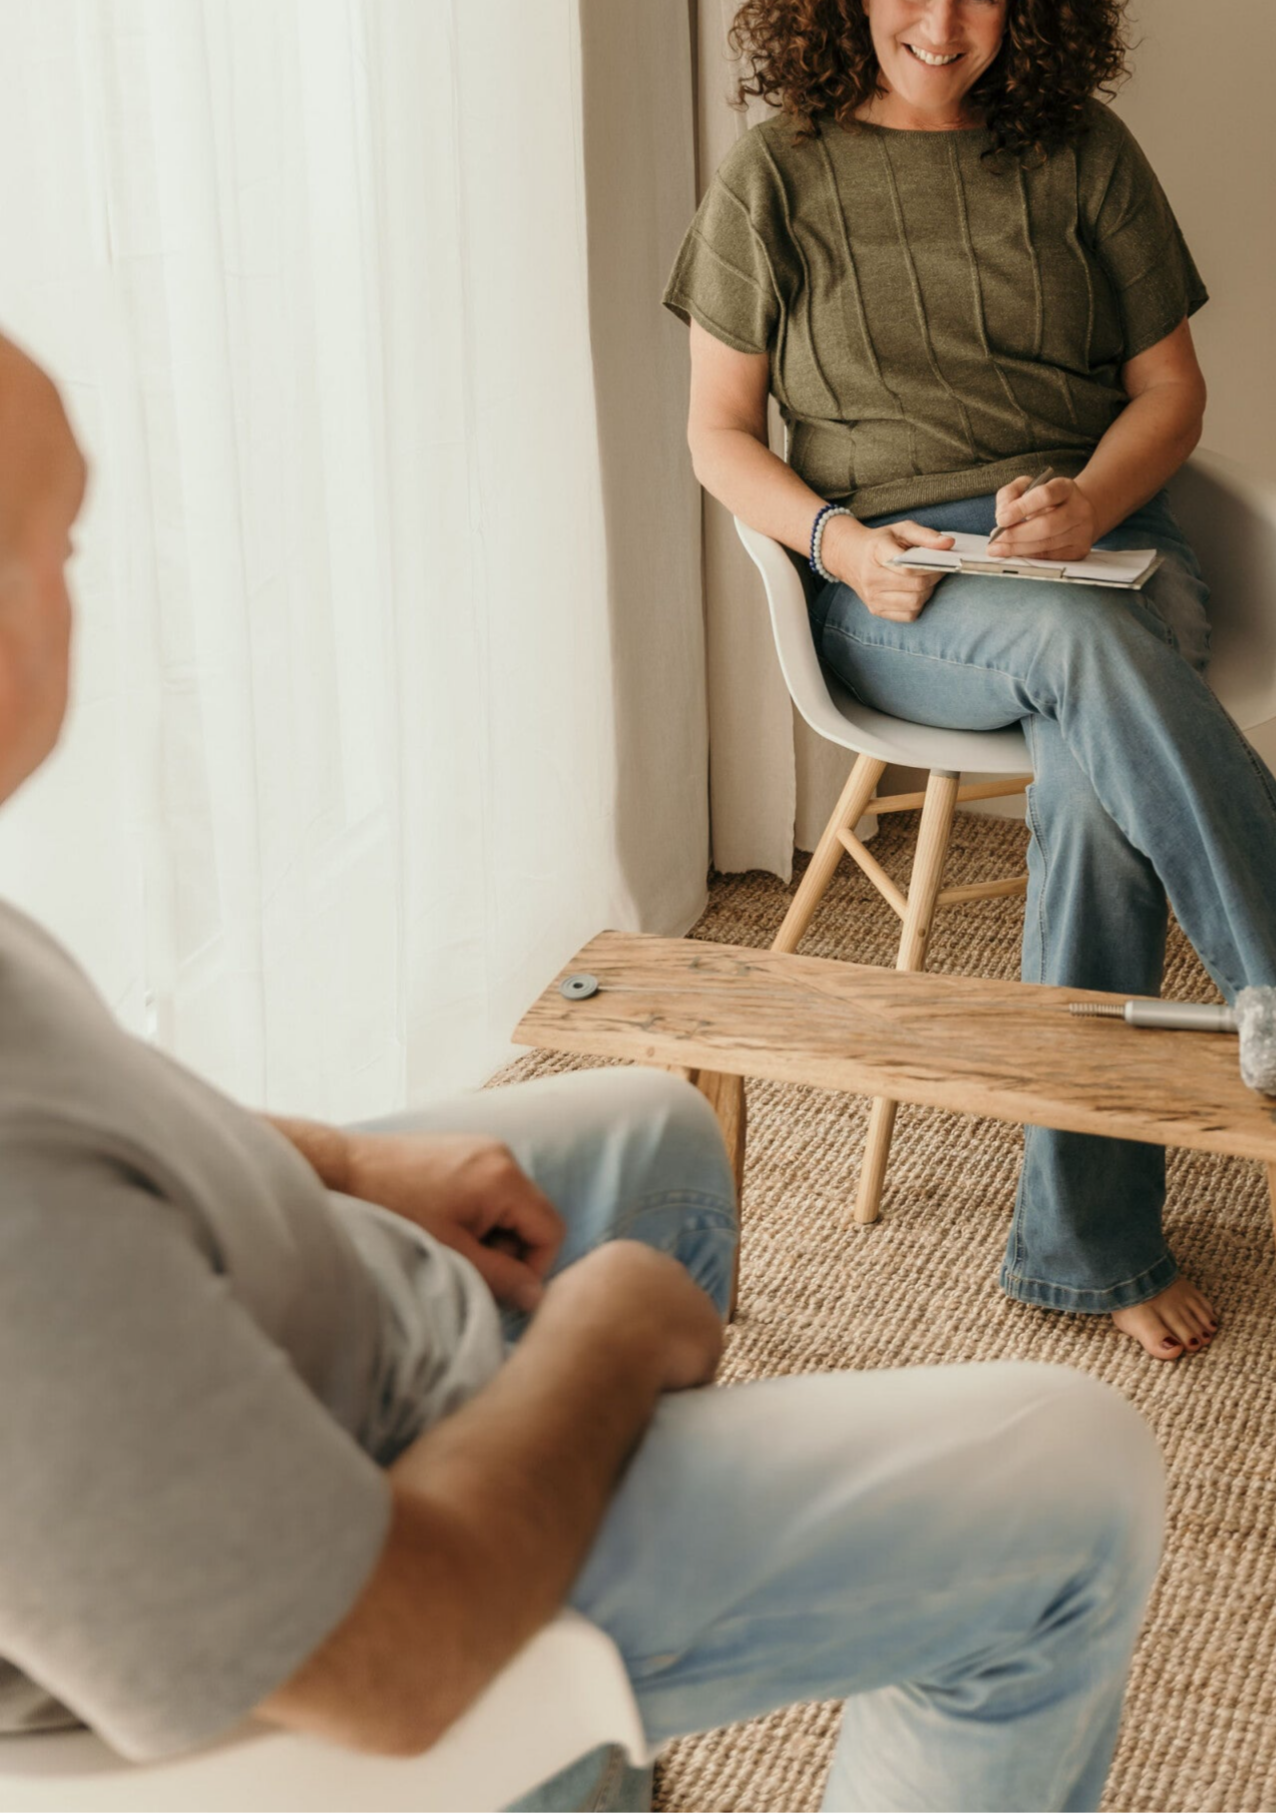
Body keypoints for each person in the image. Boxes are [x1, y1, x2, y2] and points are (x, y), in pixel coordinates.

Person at [0, 327, 1164, 1815]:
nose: (87, 599)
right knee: (1071, 1475)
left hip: (313, 1332)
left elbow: (105, 1119)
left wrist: (348, 1164)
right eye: (60, 546)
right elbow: (392, 1667)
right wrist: (605, 1344)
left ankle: (587, 1774)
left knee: (652, 1135)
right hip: (405, 1537)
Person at [670, 0, 1276, 1365]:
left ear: (1027, 4)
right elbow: (717, 433)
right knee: (1091, 673)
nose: (941, 25)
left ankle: (1083, 1242)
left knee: (1092, 763)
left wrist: (1084, 507)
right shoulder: (775, 172)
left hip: (1097, 550)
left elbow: (1169, 393)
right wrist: (839, 543)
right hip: (897, 588)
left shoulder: (1081, 150)